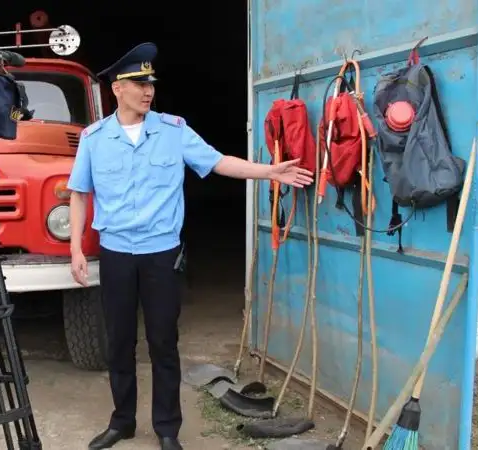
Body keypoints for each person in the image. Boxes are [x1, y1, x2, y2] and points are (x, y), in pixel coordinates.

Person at [67, 43, 313, 450]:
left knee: (163, 342)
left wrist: (269, 171)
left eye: (151, 83)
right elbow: (79, 194)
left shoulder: (173, 131)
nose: (148, 90)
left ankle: (167, 429)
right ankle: (122, 421)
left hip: (161, 254)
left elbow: (218, 162)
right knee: (119, 341)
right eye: (138, 83)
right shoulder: (94, 139)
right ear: (117, 89)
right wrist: (76, 248)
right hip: (115, 254)